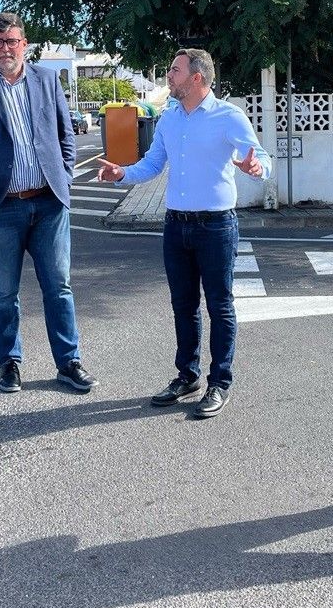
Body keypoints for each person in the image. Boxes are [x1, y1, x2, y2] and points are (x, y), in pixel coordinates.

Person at [96, 48, 271, 418]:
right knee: (183, 305)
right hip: (175, 225)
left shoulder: (229, 116)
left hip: (216, 226)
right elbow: (152, 165)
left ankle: (219, 382)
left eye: (174, 71)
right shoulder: (169, 120)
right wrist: (121, 174)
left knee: (220, 307)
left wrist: (256, 167)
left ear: (196, 78)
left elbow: (261, 158)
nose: (168, 78)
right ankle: (187, 375)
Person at [0, 12, 97, 395]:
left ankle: (68, 362)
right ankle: (9, 362)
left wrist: (66, 176)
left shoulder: (46, 79)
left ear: (24, 44)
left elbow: (65, 134)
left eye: (12, 41)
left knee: (59, 287)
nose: (5, 48)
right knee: (4, 291)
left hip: (48, 204)